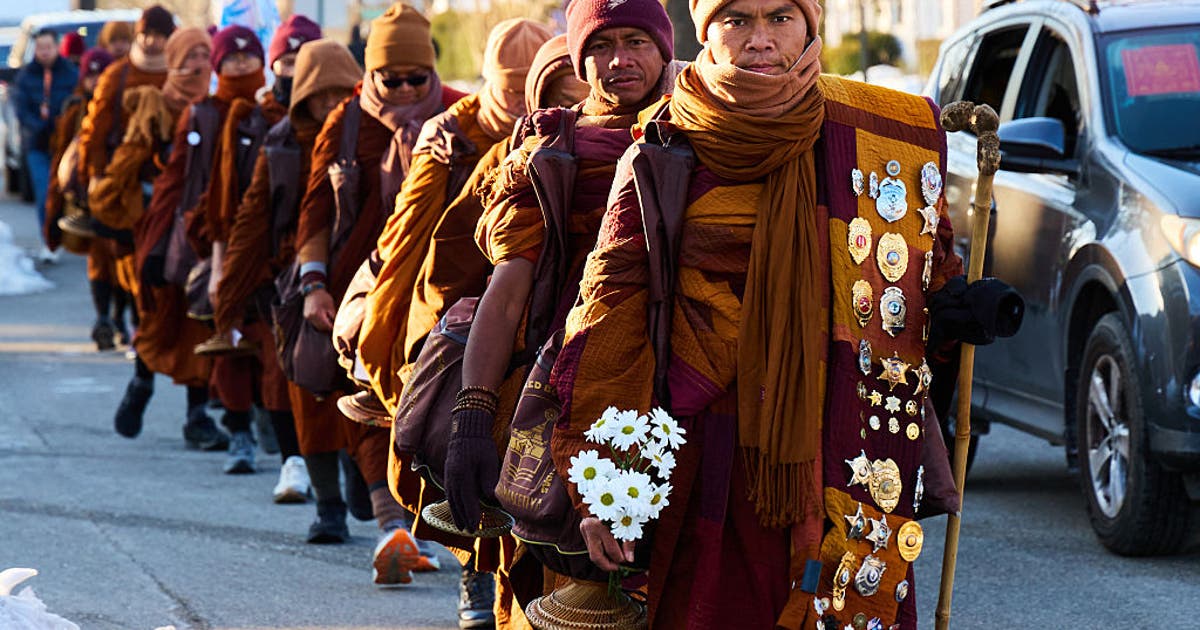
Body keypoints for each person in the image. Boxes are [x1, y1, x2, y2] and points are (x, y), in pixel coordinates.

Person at [549, 0, 1021, 627]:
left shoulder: (883, 130)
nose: (760, 41)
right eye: (736, 20)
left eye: (780, 18)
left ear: (810, 25)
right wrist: (600, 489)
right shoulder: (664, 143)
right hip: (710, 448)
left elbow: (914, 278)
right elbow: (610, 310)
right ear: (705, 31)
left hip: (847, 439)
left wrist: (955, 307)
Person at [434, 0, 675, 623]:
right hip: (561, 379)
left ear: (665, 47)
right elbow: (508, 284)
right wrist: (473, 411)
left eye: (635, 41)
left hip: (685, 377)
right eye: (599, 46)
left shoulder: (708, 132)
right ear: (576, 56)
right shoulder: (551, 146)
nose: (619, 60)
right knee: (551, 578)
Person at [293, 1, 466, 586]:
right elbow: (314, 212)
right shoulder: (344, 122)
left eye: (415, 78)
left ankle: (423, 525)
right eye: (389, 79)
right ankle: (391, 526)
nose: (402, 89)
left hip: (436, 291)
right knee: (368, 401)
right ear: (369, 74)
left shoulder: (459, 113)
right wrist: (313, 284)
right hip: (356, 291)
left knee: (428, 405)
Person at [213, 37, 360, 526]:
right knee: (302, 387)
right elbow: (253, 218)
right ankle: (329, 507)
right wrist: (229, 289)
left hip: (366, 278)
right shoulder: (280, 142)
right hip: (296, 284)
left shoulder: (374, 135)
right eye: (319, 97)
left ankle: (366, 488)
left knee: (364, 391)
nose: (329, 107)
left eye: (339, 95)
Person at [198, 14, 321, 495]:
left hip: (313, 261)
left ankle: (325, 467)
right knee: (262, 359)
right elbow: (227, 202)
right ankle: (283, 455)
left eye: (302, 59)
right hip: (259, 260)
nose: (292, 70)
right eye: (284, 62)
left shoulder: (339, 118)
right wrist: (220, 263)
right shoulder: (248, 120)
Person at [42, 47, 118, 349]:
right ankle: (104, 318)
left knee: (121, 261)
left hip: (120, 197)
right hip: (87, 201)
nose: (97, 81)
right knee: (99, 260)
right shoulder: (75, 109)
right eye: (92, 74)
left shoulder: (124, 107)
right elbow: (59, 158)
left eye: (103, 74)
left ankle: (122, 316)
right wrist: (53, 211)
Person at [13, 28, 78, 264]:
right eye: (40, 48)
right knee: (44, 192)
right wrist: (38, 125)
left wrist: (61, 124)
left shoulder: (70, 73)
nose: (44, 52)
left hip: (63, 145)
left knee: (67, 191)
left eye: (48, 47)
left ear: (56, 47)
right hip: (37, 145)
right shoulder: (26, 76)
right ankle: (48, 239)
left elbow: (76, 104)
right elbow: (20, 110)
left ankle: (68, 235)